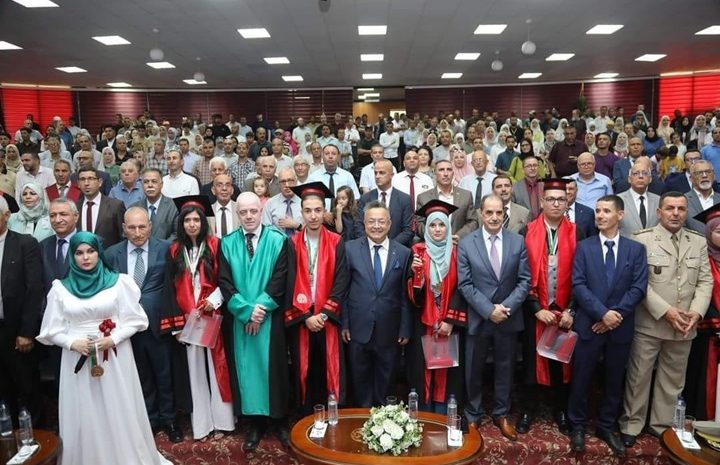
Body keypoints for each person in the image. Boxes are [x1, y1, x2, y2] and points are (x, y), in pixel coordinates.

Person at [36, 232, 171, 465]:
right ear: (72, 256)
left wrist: (114, 338)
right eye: (79, 253)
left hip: (114, 356)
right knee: (85, 410)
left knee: (118, 404)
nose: (85, 257)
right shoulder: (60, 289)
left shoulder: (119, 282)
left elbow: (137, 320)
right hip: (76, 357)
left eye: (91, 251)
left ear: (99, 253)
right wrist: (71, 343)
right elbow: (50, 330)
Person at [619, 192, 713, 446]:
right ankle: (632, 423)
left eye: (681, 209)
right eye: (669, 208)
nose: (675, 213)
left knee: (672, 379)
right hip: (651, 322)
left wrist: (697, 312)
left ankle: (660, 424)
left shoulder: (697, 241)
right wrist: (667, 312)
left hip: (685, 324)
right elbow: (639, 284)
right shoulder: (642, 240)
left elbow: (705, 281)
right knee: (639, 376)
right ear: (659, 212)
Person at [568, 195, 648, 455]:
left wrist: (614, 316)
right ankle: (577, 425)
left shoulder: (635, 250)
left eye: (606, 211)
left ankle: (605, 425)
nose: (600, 216)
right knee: (581, 378)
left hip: (620, 327)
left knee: (615, 379)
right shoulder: (584, 247)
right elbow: (578, 285)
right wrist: (602, 314)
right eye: (597, 211)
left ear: (620, 215)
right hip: (590, 324)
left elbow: (638, 288)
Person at [218, 192, 292, 450]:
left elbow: (281, 279)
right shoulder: (226, 244)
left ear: (261, 211)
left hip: (270, 319)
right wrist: (246, 312)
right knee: (247, 371)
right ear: (237, 214)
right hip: (240, 321)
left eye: (253, 211)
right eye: (243, 212)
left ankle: (280, 421)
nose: (249, 216)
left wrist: (260, 309)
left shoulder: (278, 240)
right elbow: (225, 283)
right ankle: (255, 423)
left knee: (275, 369)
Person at [105, 208, 182, 443]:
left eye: (142, 227)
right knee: (140, 375)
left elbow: (175, 285)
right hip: (127, 328)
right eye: (132, 227)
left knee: (164, 374)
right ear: (123, 228)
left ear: (150, 226)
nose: (137, 233)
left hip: (159, 324)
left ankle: (169, 418)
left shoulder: (166, 249)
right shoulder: (111, 254)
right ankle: (148, 418)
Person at [161, 196, 235, 442]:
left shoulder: (216, 244)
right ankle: (202, 425)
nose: (192, 224)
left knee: (217, 368)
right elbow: (169, 288)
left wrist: (213, 301)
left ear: (203, 222)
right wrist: (176, 325)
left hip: (211, 315)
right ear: (181, 223)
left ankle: (223, 422)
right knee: (194, 371)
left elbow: (226, 279)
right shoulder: (173, 250)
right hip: (187, 319)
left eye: (196, 219)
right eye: (187, 220)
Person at [458, 194, 530, 440]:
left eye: (499, 212)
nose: (494, 217)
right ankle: (473, 414)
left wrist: (504, 308)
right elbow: (465, 284)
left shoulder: (517, 241)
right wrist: (489, 310)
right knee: (473, 369)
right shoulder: (467, 243)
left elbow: (524, 281)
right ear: (481, 213)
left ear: (505, 214)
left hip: (508, 319)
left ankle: (501, 413)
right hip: (479, 318)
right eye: (489, 212)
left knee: (505, 368)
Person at [516, 179, 583, 436]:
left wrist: (571, 310)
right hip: (536, 308)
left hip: (565, 309)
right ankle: (528, 408)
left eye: (561, 199)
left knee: (562, 362)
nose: (556, 203)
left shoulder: (578, 231)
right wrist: (535, 308)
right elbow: (521, 274)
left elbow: (583, 276)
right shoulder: (527, 231)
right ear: (542, 202)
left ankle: (561, 409)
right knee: (531, 364)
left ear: (568, 203)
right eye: (551, 199)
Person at [285, 182, 349, 413]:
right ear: (301, 212)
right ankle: (304, 418)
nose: (313, 216)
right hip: (302, 317)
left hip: (327, 317)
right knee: (304, 369)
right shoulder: (291, 244)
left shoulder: (337, 242)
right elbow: (288, 283)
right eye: (308, 211)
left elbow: (342, 281)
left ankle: (331, 418)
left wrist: (322, 315)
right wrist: (305, 317)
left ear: (325, 212)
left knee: (328, 369)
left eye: (318, 210)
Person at [343, 201, 412, 407]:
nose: (376, 226)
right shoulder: (350, 249)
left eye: (381, 221)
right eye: (371, 221)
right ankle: (363, 418)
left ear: (390, 224)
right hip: (358, 327)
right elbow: (343, 290)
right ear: (364, 224)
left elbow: (404, 294)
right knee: (360, 378)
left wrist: (405, 327)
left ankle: (384, 421)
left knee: (387, 378)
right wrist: (345, 323)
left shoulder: (403, 253)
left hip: (389, 329)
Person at [407, 200, 466, 413]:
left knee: (449, 369)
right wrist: (417, 278)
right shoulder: (417, 252)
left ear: (449, 227)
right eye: (432, 225)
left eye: (442, 225)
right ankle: (424, 409)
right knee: (421, 366)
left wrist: (450, 320)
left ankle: (444, 410)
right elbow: (410, 294)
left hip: (449, 323)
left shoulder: (458, 253)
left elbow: (463, 288)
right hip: (424, 321)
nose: (437, 229)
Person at [685, 204, 720, 420]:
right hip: (707, 334)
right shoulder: (700, 258)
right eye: (719, 230)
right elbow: (699, 290)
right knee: (702, 382)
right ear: (708, 232)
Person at [416, 159, 478, 242]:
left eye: (449, 170)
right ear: (435, 174)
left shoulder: (466, 196)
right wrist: (434, 237)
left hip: (459, 246)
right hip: (433, 247)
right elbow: (419, 224)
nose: (445, 174)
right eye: (441, 170)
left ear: (453, 173)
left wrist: (459, 236)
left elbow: (473, 221)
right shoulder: (423, 197)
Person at [354, 159, 413, 246]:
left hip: (396, 250)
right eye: (375, 173)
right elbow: (359, 226)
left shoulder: (404, 199)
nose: (377, 176)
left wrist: (389, 246)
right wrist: (372, 244)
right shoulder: (365, 199)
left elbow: (408, 230)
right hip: (369, 249)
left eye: (382, 173)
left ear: (392, 175)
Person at [75, 166, 126, 247]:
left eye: (91, 179)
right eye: (82, 179)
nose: (86, 183)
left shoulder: (115, 206)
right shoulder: (74, 207)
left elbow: (123, 236)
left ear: (100, 182)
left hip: (108, 257)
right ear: (78, 184)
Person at [130, 168, 178, 241]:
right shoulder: (133, 208)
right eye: (146, 182)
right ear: (142, 185)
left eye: (154, 181)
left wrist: (161, 248)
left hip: (166, 250)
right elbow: (128, 233)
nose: (150, 185)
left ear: (161, 184)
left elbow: (176, 234)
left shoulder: (174, 206)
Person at [617, 157, 660, 236]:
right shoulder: (617, 200)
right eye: (636, 173)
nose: (640, 176)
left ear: (650, 179)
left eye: (645, 173)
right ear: (629, 179)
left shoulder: (659, 200)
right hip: (628, 246)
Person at [685, 160, 720, 233]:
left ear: (714, 176)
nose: (704, 175)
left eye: (708, 172)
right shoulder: (683, 200)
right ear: (691, 178)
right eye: (699, 173)